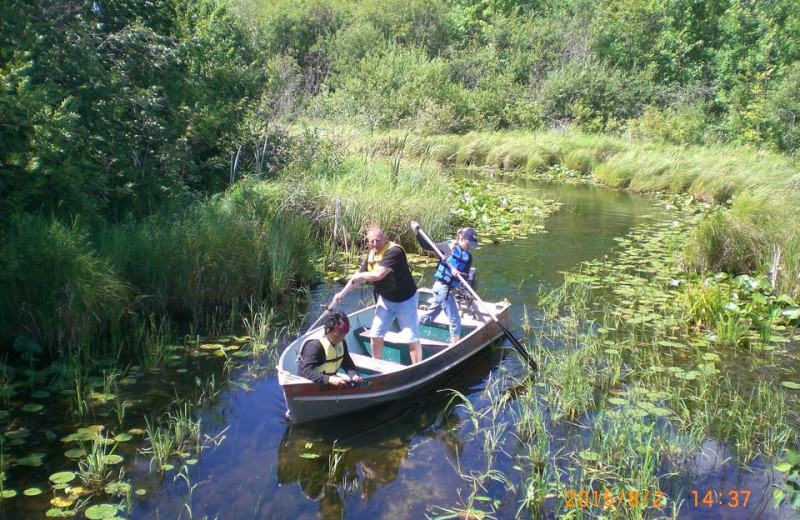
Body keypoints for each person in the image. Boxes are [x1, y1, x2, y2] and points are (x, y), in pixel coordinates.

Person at [334, 225, 423, 364]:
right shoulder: (372, 255)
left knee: (411, 337)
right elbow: (356, 278)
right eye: (371, 241)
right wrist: (342, 293)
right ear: (368, 241)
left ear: (385, 239)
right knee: (375, 334)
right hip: (386, 300)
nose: (375, 244)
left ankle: (417, 367)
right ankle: (378, 365)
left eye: (378, 240)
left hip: (405, 300)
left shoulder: (394, 252)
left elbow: (379, 274)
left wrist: (362, 275)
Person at [411, 221, 478, 343]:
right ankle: (455, 346)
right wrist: (417, 232)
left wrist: (458, 274)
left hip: (445, 289)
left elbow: (465, 275)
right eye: (468, 243)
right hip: (442, 287)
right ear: (462, 238)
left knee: (429, 317)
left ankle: (410, 329)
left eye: (471, 245)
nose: (469, 247)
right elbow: (427, 246)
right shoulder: (447, 246)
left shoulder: (469, 257)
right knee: (455, 320)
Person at [297, 311, 363, 386]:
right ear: (328, 330)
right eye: (337, 335)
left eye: (343, 335)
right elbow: (306, 371)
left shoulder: (341, 342)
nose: (340, 339)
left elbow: (347, 362)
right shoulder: (314, 345)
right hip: (309, 384)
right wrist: (329, 379)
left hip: (328, 381)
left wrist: (354, 375)